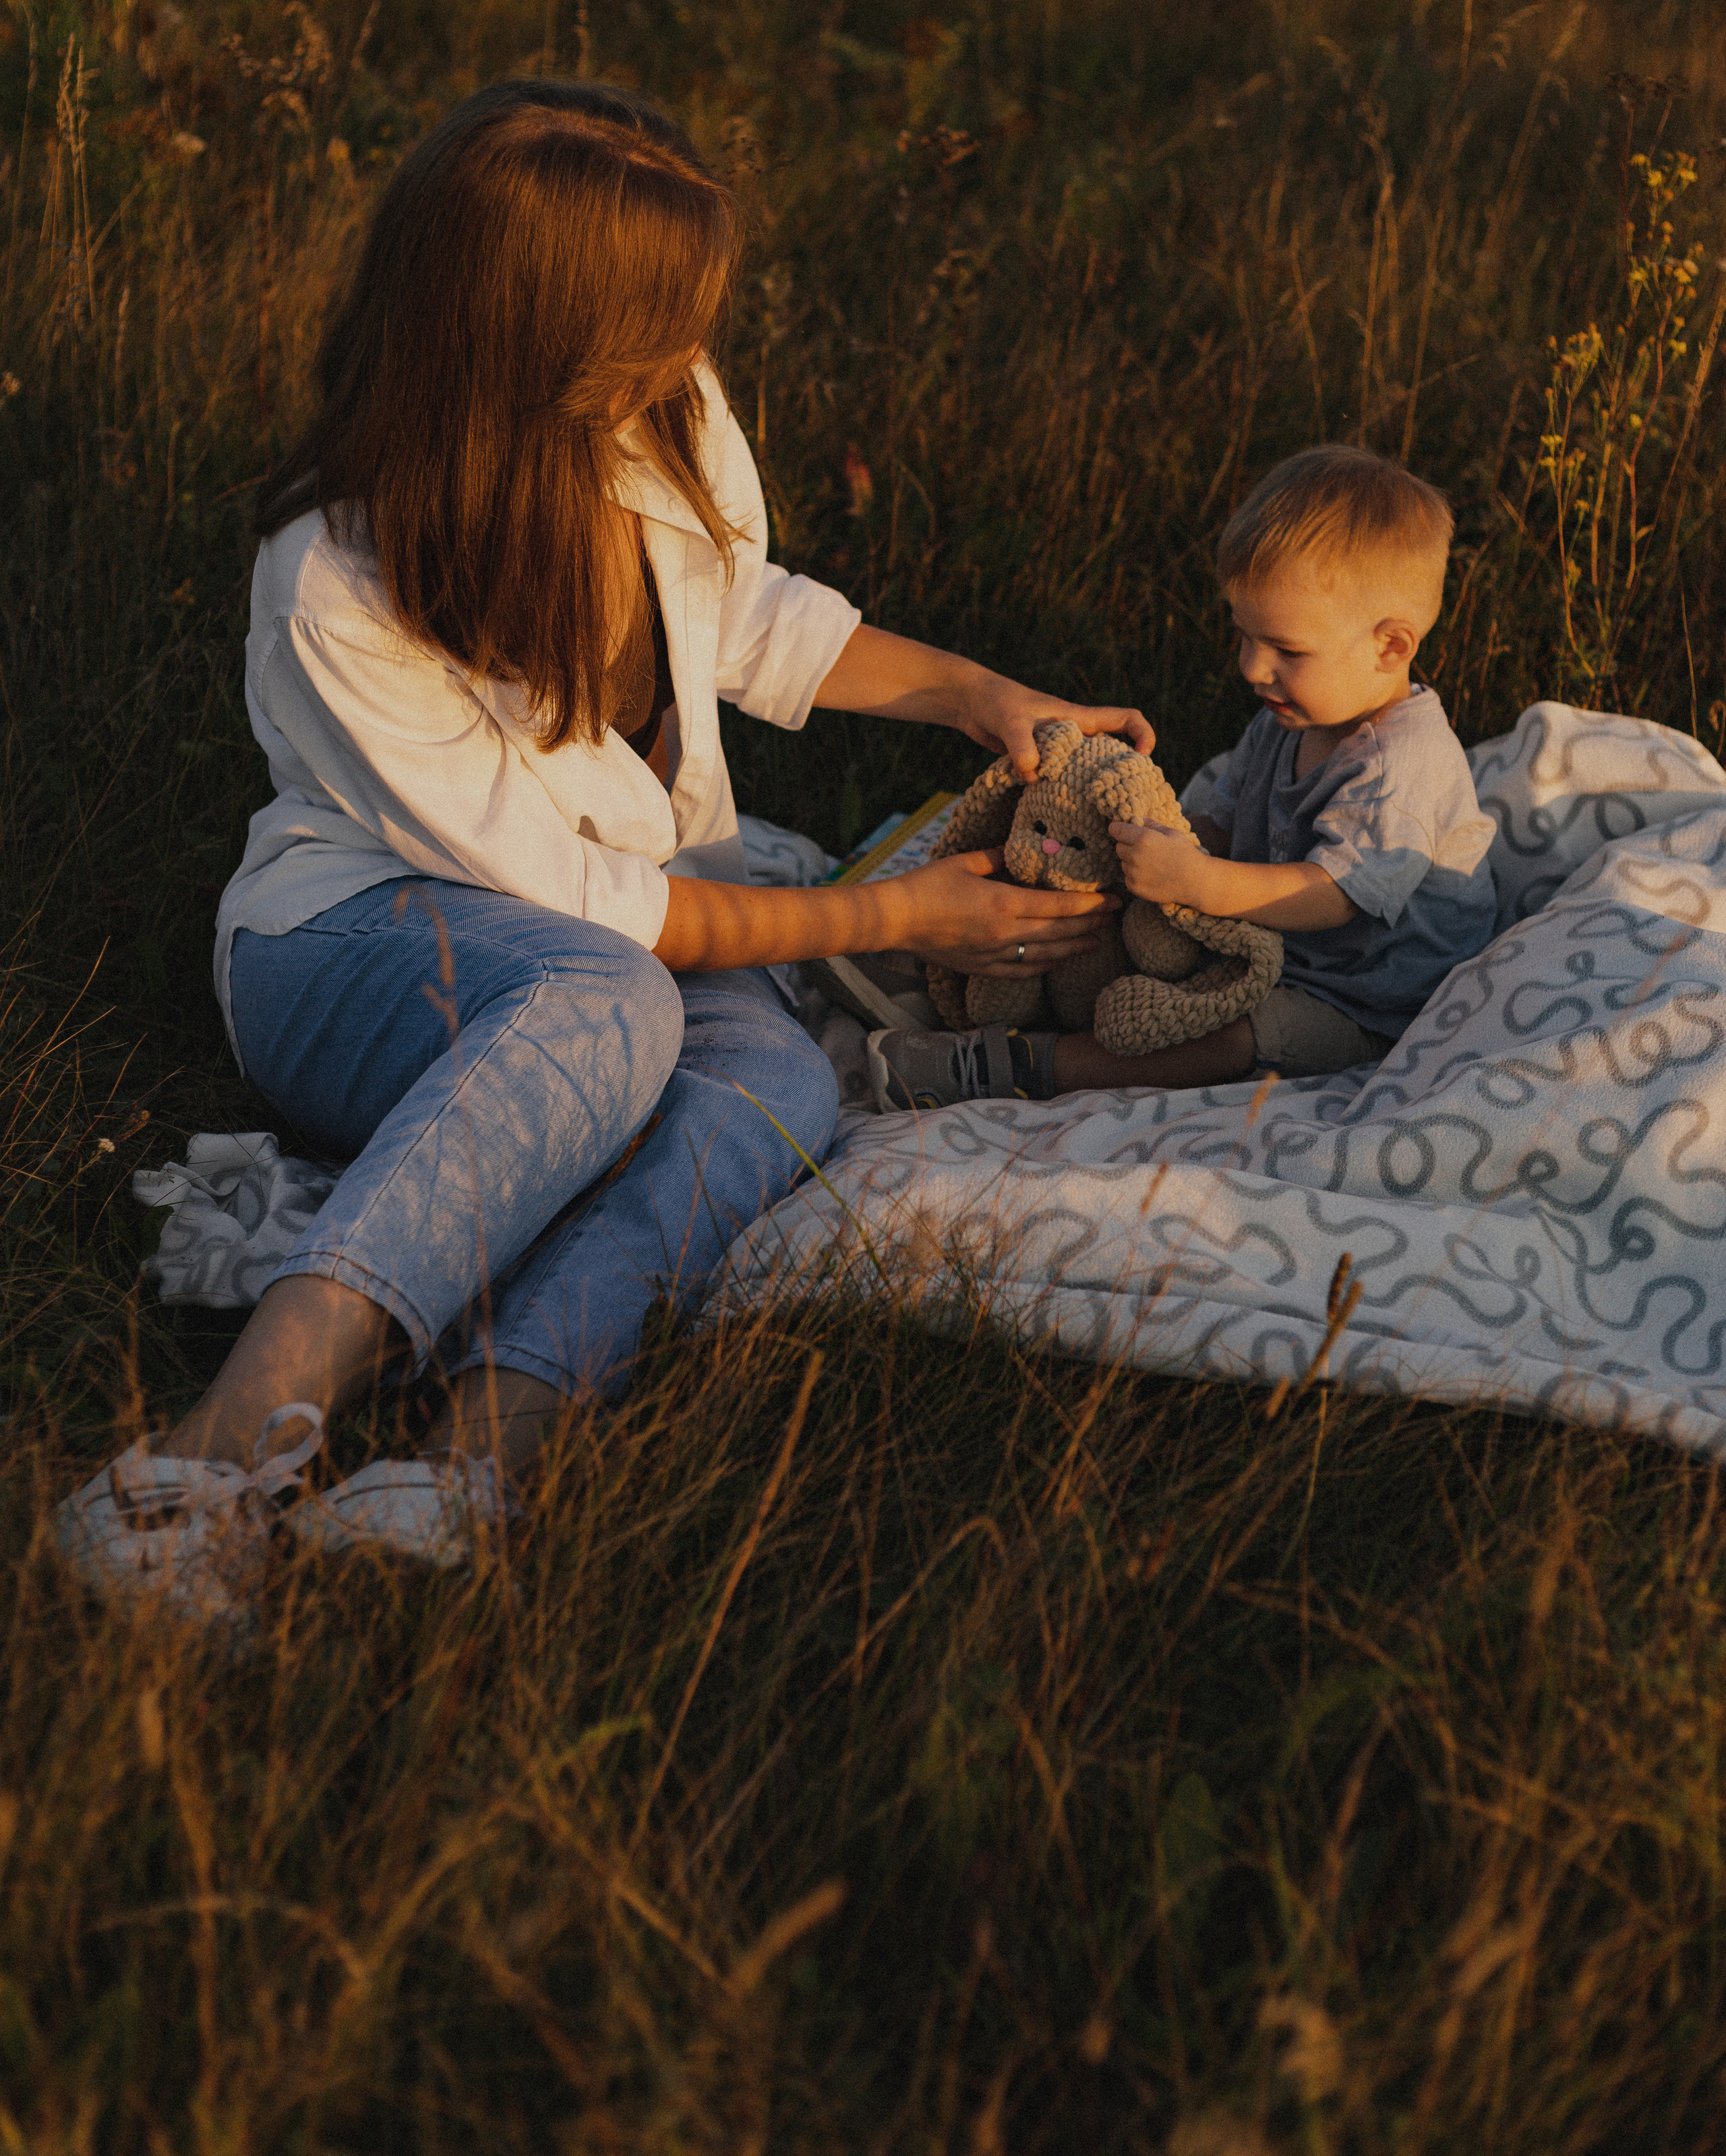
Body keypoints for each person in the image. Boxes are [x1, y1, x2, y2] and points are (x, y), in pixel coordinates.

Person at [56, 78, 1152, 1619]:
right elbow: (590, 909)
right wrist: (893, 909)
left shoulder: (659, 407)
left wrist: (985, 698)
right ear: (524, 341)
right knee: (608, 1005)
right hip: (353, 944)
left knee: (772, 1079)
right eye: (652, 326)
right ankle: (221, 1445)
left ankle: (470, 1456)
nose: (686, 353)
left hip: (615, 932)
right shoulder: (336, 578)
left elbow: (744, 612)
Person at [870, 444, 1496, 1106]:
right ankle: (958, 979)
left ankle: (1017, 1065)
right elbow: (1218, 823)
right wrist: (1142, 844)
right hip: (1264, 946)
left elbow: (1331, 894)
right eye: (1244, 635)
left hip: (1366, 999)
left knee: (1223, 1039)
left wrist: (1196, 880)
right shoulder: (1288, 720)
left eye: (1286, 649)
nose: (1253, 668)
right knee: (1108, 920)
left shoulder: (1405, 761)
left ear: (1389, 646)